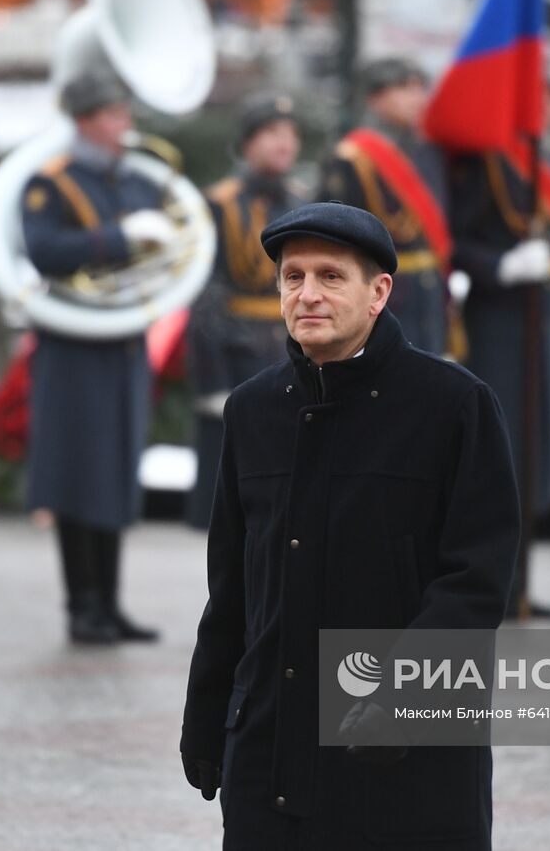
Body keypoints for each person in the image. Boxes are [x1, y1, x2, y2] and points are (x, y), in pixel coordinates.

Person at [181, 202, 519, 849]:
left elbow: (474, 584)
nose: (307, 294)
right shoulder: (252, 411)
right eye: (292, 276)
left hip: (405, 760)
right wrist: (207, 713)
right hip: (271, 754)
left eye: (331, 277)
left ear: (378, 293)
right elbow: (232, 587)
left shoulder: (453, 406)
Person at [22, 70, 170, 644]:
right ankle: (81, 605)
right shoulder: (52, 183)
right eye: (113, 115)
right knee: (75, 471)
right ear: (84, 121)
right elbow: (44, 251)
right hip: (72, 341)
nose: (124, 125)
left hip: (123, 338)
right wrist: (123, 237)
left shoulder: (135, 180)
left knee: (113, 470)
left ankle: (110, 602)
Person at [448, 69, 550, 618]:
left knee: (534, 456)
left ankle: (521, 586)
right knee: (499, 458)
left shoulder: (549, 165)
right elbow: (457, 239)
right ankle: (492, 586)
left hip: (540, 324)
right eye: (534, 101)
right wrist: (500, 265)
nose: (543, 111)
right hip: (497, 322)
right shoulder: (488, 164)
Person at [185, 93, 303, 530]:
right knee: (233, 498)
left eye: (291, 135)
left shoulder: (300, 200)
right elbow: (205, 291)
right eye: (272, 133)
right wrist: (212, 377)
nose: (284, 144)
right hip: (238, 353)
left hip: (292, 347)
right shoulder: (219, 202)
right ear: (248, 143)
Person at [316, 57, 449, 355]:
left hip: (430, 295)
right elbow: (338, 238)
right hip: (383, 293)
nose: (417, 98)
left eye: (419, 88)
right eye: (404, 88)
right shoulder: (352, 157)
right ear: (375, 98)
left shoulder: (429, 153)